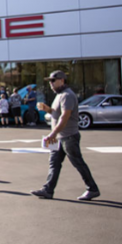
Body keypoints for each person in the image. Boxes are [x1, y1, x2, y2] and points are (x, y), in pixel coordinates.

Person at [31, 71, 101, 201]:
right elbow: (56, 114)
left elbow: (65, 117)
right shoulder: (60, 95)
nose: (51, 83)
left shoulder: (67, 95)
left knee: (78, 163)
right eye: (50, 81)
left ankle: (92, 189)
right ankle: (48, 190)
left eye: (53, 80)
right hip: (60, 137)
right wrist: (47, 109)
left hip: (68, 136)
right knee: (54, 163)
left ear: (62, 80)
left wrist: (53, 133)